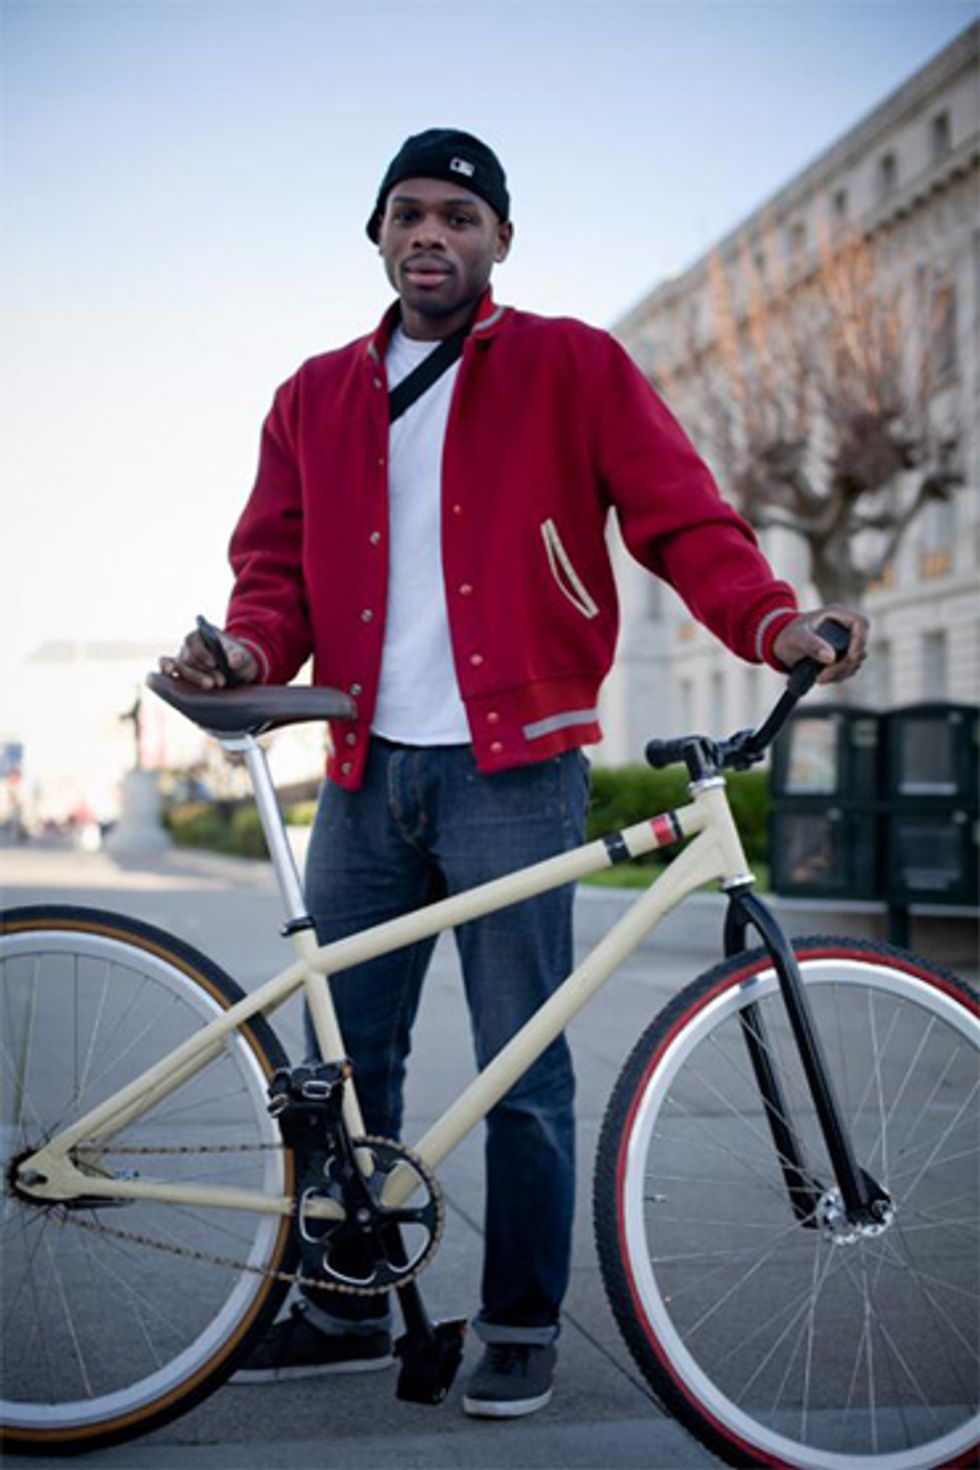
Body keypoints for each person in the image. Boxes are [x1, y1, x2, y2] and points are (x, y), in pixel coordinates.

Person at [160, 127, 868, 1418]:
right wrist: (246, 650)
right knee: (341, 1065)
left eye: (459, 215)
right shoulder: (312, 395)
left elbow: (682, 518)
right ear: (379, 236)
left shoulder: (572, 365)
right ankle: (345, 1305)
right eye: (408, 213)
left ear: (500, 240)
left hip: (518, 772)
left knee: (525, 1069)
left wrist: (770, 621)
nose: (431, 233)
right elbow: (273, 575)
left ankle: (522, 1318)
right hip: (363, 772)